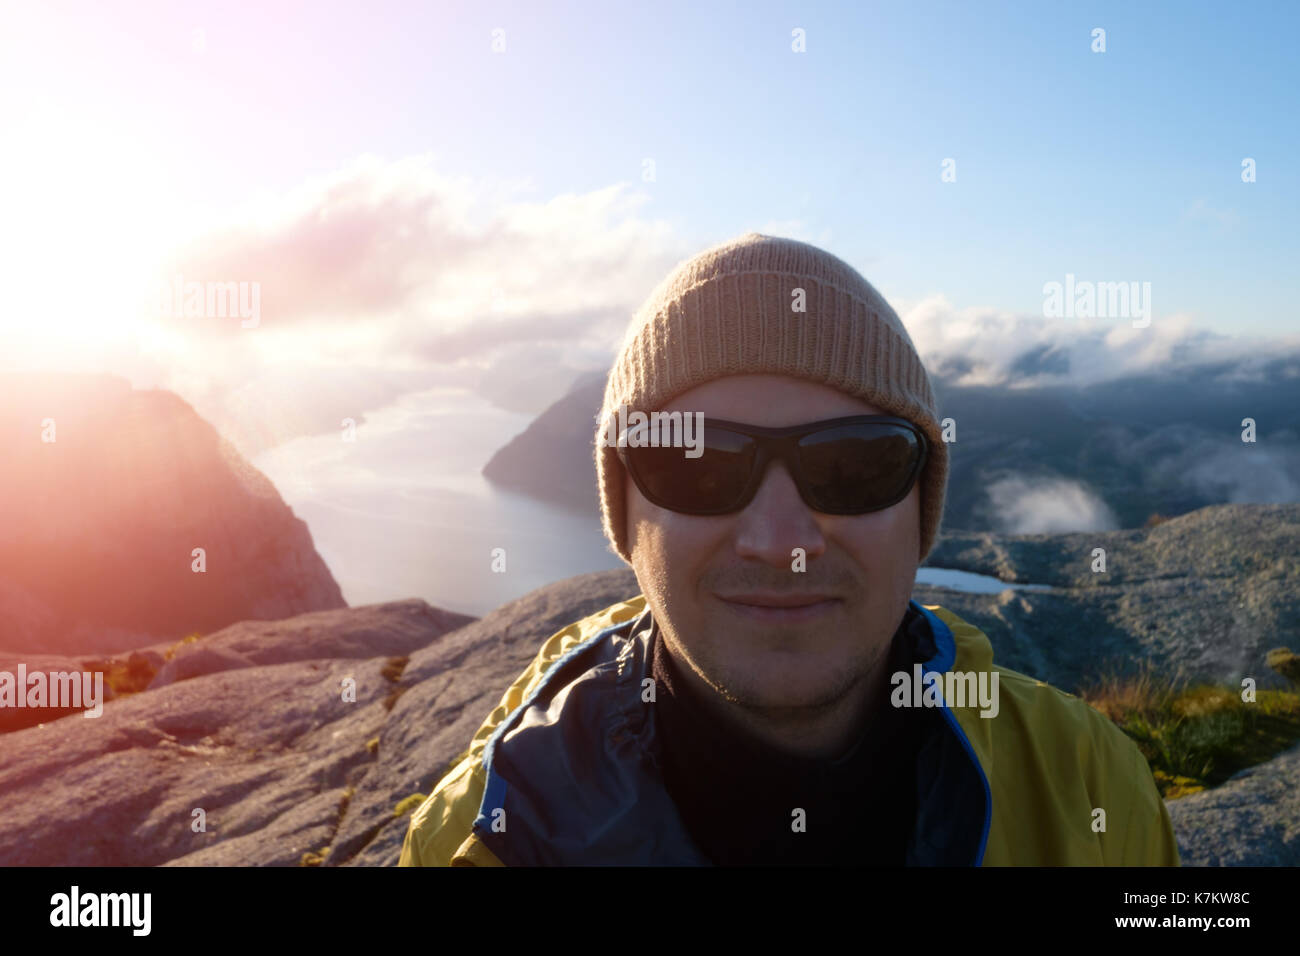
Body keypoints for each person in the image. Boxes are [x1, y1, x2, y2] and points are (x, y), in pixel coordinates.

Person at [398, 232, 1181, 866]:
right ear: (626, 517)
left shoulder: (1087, 781)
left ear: (920, 507)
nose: (782, 543)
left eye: (855, 465)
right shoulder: (485, 838)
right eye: (695, 464)